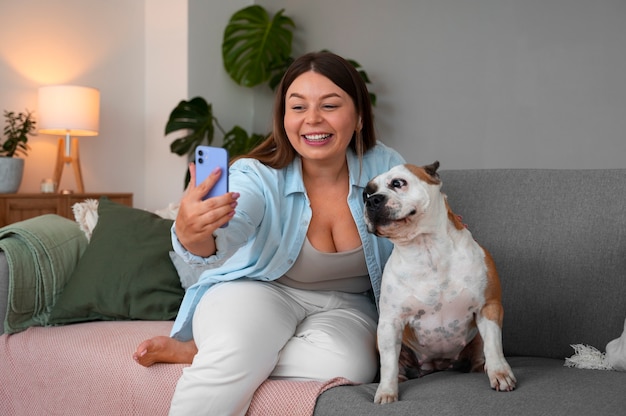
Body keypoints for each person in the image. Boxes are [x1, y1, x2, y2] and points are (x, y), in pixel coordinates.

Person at [133, 51, 406, 416]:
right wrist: (193, 232)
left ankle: (206, 349)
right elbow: (230, 226)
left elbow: (419, 217)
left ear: (358, 116)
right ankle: (226, 350)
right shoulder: (256, 175)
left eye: (329, 105)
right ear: (283, 118)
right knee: (233, 351)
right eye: (297, 107)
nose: (312, 119)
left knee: (351, 366)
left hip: (348, 305)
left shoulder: (385, 166)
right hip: (258, 291)